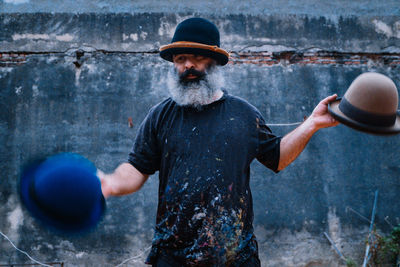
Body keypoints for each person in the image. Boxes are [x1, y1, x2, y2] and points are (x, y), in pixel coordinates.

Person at [97, 17, 339, 267]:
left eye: (197, 57)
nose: (188, 65)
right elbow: (137, 168)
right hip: (172, 257)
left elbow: (278, 157)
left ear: (214, 62)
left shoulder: (244, 114)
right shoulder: (161, 115)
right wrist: (111, 183)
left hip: (236, 257)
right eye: (180, 59)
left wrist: (312, 124)